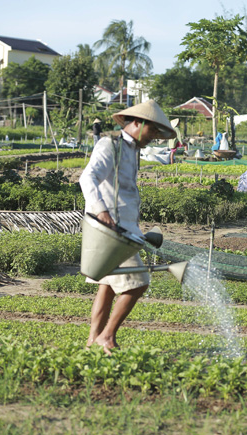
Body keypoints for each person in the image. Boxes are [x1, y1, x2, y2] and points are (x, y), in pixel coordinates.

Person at [79, 100, 176, 353]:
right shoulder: (109, 145)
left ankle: (93, 340)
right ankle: (107, 336)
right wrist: (101, 212)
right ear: (137, 123)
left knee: (108, 287)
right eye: (152, 130)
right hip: (111, 232)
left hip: (126, 229)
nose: (154, 136)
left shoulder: (131, 151)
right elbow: (87, 177)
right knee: (139, 283)